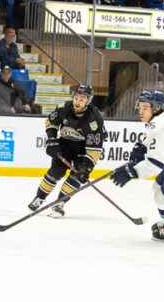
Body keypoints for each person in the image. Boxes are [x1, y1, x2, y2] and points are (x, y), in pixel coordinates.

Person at [111, 90, 164, 239]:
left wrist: (132, 171)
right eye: (140, 106)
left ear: (155, 108)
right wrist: (140, 149)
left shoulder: (160, 125)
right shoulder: (163, 118)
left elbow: (155, 163)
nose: (140, 111)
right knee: (157, 187)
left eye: (145, 107)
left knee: (162, 200)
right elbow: (149, 139)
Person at [28, 85, 106, 218]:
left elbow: (95, 148)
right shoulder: (64, 108)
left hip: (83, 148)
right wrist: (52, 139)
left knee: (77, 177)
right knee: (55, 172)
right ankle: (39, 198)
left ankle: (59, 203)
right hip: (65, 144)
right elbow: (51, 121)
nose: (78, 101)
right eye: (76, 98)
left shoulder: (94, 119)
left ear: (88, 101)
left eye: (82, 99)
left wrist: (86, 167)